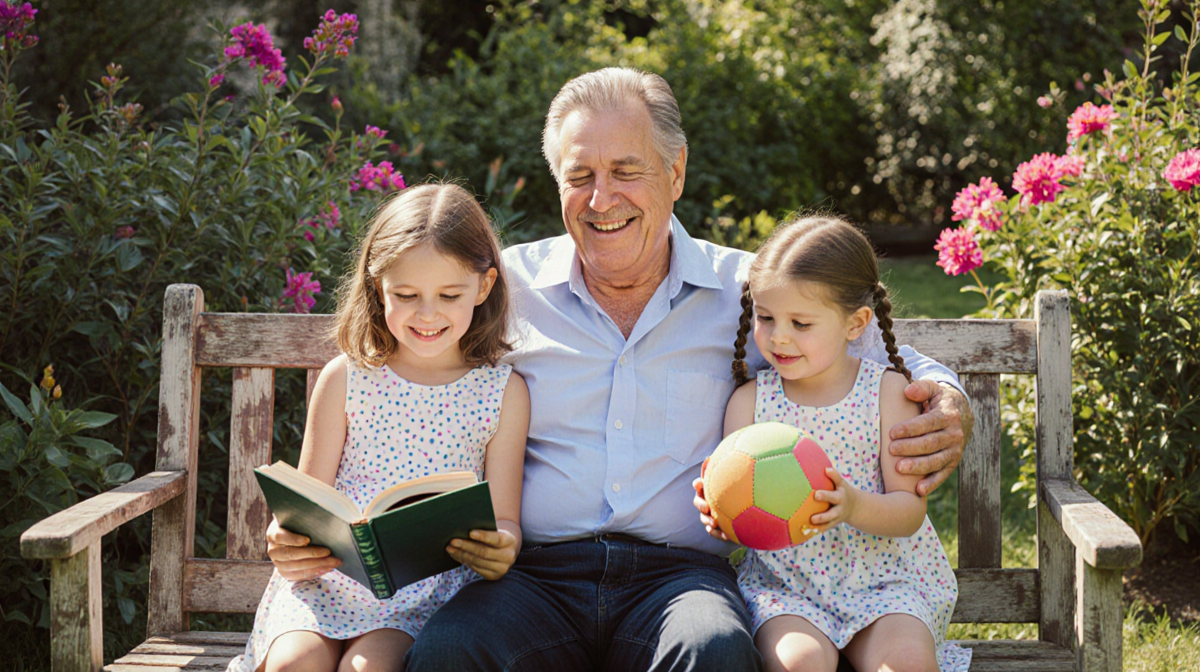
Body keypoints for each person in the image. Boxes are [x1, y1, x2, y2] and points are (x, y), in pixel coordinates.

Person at [405, 66, 974, 672]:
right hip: (534, 575)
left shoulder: (753, 295)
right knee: (447, 653)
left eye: (626, 171)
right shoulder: (506, 290)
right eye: (580, 177)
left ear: (675, 174)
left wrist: (943, 391)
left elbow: (867, 341)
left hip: (680, 581)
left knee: (715, 653)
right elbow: (393, 357)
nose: (602, 200)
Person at [229, 184, 530, 672]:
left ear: (485, 285)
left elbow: (506, 517)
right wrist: (284, 539)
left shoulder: (501, 393)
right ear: (377, 287)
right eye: (406, 295)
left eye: (449, 295)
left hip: (420, 593)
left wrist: (503, 545)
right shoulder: (346, 378)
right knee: (293, 666)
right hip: (326, 583)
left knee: (368, 669)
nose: (427, 314)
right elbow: (306, 504)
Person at [702, 216, 969, 672]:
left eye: (801, 323)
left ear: (856, 324)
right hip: (787, 587)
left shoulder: (887, 395)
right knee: (799, 663)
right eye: (766, 318)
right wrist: (724, 516)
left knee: (906, 663)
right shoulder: (749, 403)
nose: (779, 336)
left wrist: (851, 506)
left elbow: (909, 513)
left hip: (885, 583)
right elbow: (739, 512)